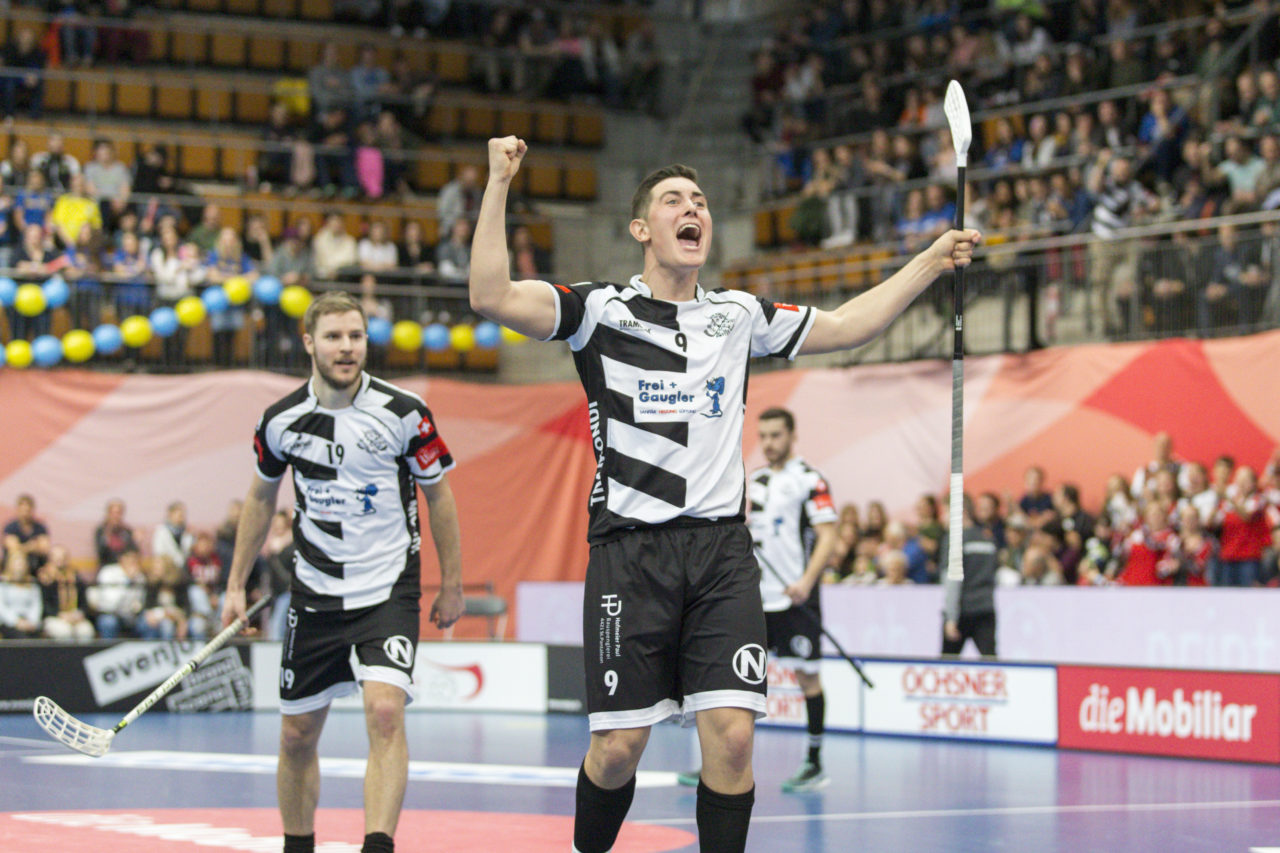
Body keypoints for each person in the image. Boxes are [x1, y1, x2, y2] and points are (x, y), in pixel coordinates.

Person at [468, 135, 978, 853]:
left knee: (734, 739)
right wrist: (497, 181)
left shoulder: (737, 316)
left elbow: (848, 325)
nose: (693, 210)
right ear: (642, 229)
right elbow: (489, 295)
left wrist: (929, 259)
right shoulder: (598, 312)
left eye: (700, 202)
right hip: (630, 554)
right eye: (674, 201)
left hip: (720, 553)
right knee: (618, 747)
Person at [220, 290, 465, 853]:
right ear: (309, 343)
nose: (347, 347)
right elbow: (261, 499)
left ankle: (377, 846)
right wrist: (236, 585)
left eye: (355, 335)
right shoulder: (281, 421)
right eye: (333, 336)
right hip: (316, 594)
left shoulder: (404, 413)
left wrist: (451, 582)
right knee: (297, 734)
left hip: (387, 589)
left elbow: (440, 497)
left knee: (384, 711)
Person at [748, 407, 839, 791]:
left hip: (795, 599)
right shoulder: (753, 482)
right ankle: (721, 765)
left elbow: (829, 536)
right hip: (755, 599)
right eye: (763, 436)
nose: (768, 443)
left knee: (807, 677)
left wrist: (805, 581)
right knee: (740, 680)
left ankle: (814, 762)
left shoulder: (810, 480)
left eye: (776, 435)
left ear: (792, 435)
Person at [941, 494, 1000, 657]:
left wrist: (951, 617)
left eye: (946, 512)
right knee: (990, 661)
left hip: (962, 610)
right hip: (986, 608)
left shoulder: (955, 539)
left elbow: (953, 581)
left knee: (947, 664)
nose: (943, 518)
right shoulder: (988, 539)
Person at [3, 493, 51, 573]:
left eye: (27, 511)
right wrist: (31, 547)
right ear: (17, 510)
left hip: (37, 569)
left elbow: (44, 548)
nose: (25, 514)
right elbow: (13, 549)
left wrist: (21, 547)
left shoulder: (40, 528)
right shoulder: (10, 527)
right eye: (22, 510)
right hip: (14, 570)